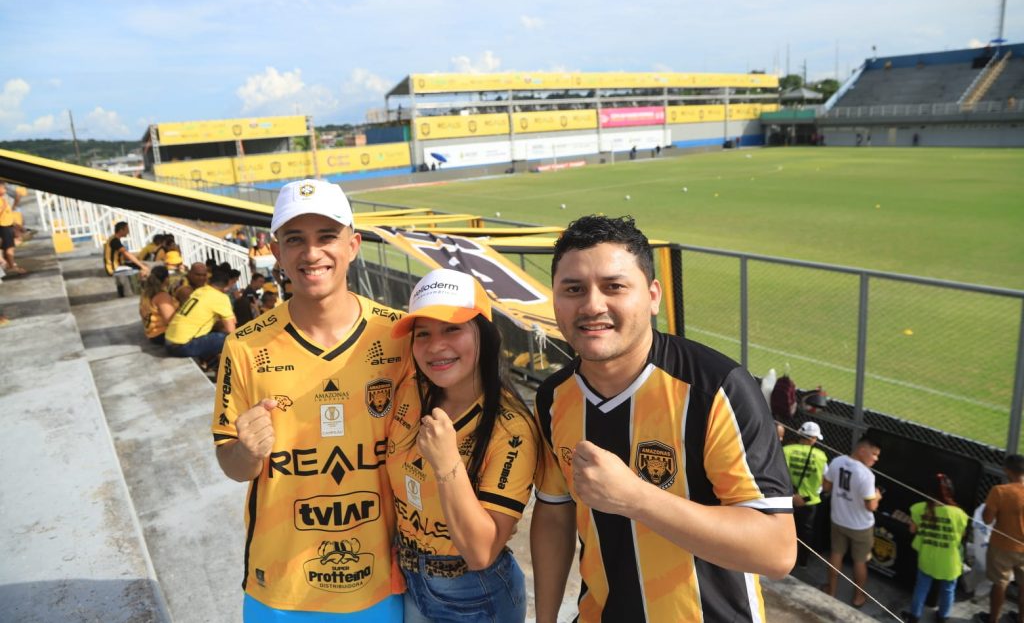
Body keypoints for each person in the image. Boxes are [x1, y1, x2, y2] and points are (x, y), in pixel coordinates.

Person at [530, 215, 795, 623]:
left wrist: (635, 498)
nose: (592, 305)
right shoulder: (553, 397)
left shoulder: (716, 389)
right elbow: (554, 513)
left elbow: (776, 550)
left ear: (653, 296)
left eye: (614, 286)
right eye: (573, 289)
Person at [211, 178, 413, 622]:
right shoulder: (244, 347)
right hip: (281, 589)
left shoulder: (400, 335)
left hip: (382, 582)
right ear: (276, 251)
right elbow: (230, 465)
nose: (312, 253)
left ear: (353, 244)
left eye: (327, 237)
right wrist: (245, 451)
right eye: (295, 240)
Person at [386, 268, 539, 623]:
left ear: (485, 334)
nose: (436, 346)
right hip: (409, 579)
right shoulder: (411, 389)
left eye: (452, 329)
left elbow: (481, 551)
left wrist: (446, 465)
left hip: (476, 596)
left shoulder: (510, 427)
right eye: (423, 333)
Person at [822, 435, 882, 608]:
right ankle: (857, 598)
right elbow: (871, 506)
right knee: (860, 561)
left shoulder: (837, 461)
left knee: (836, 553)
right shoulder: (867, 475)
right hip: (861, 526)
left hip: (838, 520)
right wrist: (877, 496)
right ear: (862, 450)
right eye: (874, 454)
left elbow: (826, 487)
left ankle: (831, 591)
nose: (876, 459)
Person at [904, 473, 968, 623]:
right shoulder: (959, 513)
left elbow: (912, 530)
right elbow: (963, 534)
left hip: (927, 557)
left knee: (921, 588)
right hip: (950, 562)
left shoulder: (919, 508)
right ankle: (943, 617)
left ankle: (914, 617)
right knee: (948, 591)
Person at [978, 454, 1024, 623]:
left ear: (1006, 470)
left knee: (1000, 584)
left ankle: (993, 620)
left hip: (1002, 546)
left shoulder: (999, 491)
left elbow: (987, 519)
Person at [165, 264, 235, 365]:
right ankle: (225, 374)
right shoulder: (221, 297)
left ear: (209, 281)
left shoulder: (199, 291)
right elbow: (231, 331)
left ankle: (211, 364)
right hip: (180, 346)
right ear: (227, 286)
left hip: (169, 341)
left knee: (215, 333)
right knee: (229, 339)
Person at [783, 421, 829, 568]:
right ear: (814, 439)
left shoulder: (786, 450)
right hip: (809, 502)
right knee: (805, 533)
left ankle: (782, 558)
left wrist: (791, 495)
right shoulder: (821, 456)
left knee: (784, 529)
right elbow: (824, 481)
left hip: (787, 498)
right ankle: (802, 561)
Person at [139, 266, 179, 346]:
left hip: (152, 333)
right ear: (166, 279)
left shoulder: (146, 294)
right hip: (162, 334)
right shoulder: (162, 296)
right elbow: (171, 320)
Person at [0, 183, 25, 275]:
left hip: (8, 225)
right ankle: (12, 266)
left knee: (9, 247)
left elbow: (8, 213)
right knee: (9, 248)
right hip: (4, 226)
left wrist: (16, 224)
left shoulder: (3, 199)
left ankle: (10, 264)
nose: (5, 189)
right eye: (3, 187)